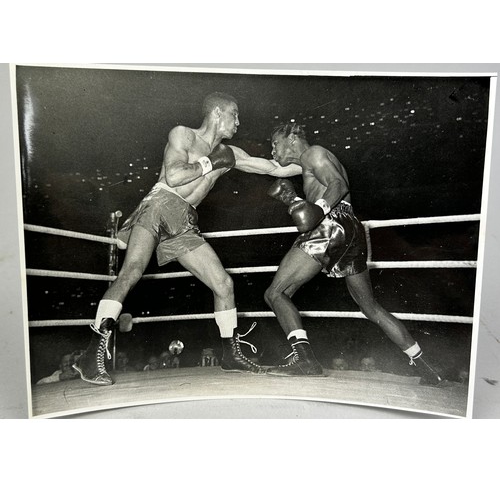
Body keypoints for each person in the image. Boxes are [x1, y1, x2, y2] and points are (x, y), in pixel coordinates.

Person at [73, 92, 301, 386]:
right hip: (159, 204)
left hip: (184, 219)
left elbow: (274, 168)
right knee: (132, 271)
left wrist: (310, 160)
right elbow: (173, 177)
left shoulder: (231, 153)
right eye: (235, 115)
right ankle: (91, 355)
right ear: (218, 112)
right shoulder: (183, 135)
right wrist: (209, 162)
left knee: (223, 284)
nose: (239, 122)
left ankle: (230, 354)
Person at [263, 123, 444, 386]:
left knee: (275, 293)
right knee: (370, 307)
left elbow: (338, 184)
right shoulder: (309, 162)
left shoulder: (313, 153)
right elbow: (275, 169)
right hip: (351, 229)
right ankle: (426, 366)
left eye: (274, 143)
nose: (272, 150)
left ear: (292, 138)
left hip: (329, 222)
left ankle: (305, 360)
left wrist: (319, 209)